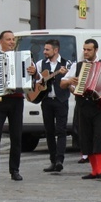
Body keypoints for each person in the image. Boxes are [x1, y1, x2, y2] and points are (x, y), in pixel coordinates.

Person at [0, 30, 36, 181]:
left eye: (13, 39)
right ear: (1, 41)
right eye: (8, 39)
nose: (12, 42)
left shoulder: (24, 57)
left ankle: (15, 170)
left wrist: (34, 72)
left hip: (16, 100)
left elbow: (36, 76)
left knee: (16, 135)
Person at [61, 39, 101, 180]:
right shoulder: (77, 66)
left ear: (96, 50)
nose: (86, 52)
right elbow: (62, 83)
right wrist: (71, 81)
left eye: (89, 49)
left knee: (99, 136)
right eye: (84, 49)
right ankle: (94, 170)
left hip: (100, 106)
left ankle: (100, 170)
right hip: (83, 105)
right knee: (86, 137)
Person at [38, 39, 70, 173]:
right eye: (44, 49)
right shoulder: (40, 64)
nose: (44, 52)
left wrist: (65, 75)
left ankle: (59, 160)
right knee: (49, 131)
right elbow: (36, 81)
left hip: (61, 100)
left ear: (56, 50)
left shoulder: (66, 63)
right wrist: (39, 81)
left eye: (47, 49)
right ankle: (52, 160)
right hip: (46, 101)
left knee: (61, 130)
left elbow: (71, 79)